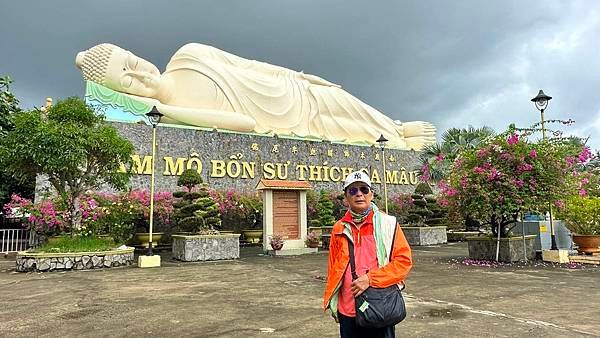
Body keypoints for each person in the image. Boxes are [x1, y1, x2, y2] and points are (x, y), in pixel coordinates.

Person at [76, 43, 436, 150]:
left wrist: (296, 75)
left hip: (291, 91)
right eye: (129, 82)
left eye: (134, 63)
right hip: (277, 122)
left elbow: (249, 64)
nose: (141, 75)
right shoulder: (171, 111)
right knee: (349, 134)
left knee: (352, 106)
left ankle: (399, 126)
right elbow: (245, 125)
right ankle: (401, 140)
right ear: (123, 93)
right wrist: (165, 110)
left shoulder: (188, 54)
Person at [323, 170, 412, 338]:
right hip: (348, 309)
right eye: (353, 190)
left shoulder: (388, 224)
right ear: (346, 198)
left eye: (364, 189)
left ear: (371, 194)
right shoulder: (339, 228)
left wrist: (370, 279)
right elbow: (333, 267)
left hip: (380, 306)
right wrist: (332, 300)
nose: (359, 194)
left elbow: (403, 262)